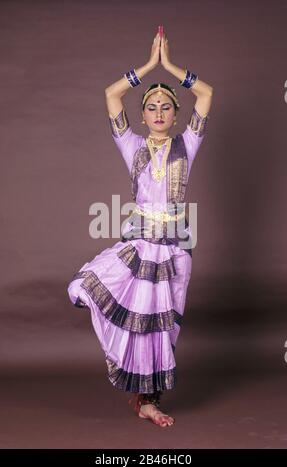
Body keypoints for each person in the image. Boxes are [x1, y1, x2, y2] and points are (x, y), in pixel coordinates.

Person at [67, 31, 213, 427]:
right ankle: (142, 397)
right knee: (115, 305)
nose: (160, 112)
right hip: (141, 245)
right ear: (144, 114)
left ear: (176, 114)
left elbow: (207, 94)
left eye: (167, 107)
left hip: (176, 250)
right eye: (152, 107)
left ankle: (148, 399)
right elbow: (111, 96)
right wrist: (147, 67)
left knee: (160, 332)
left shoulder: (187, 144)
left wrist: (171, 67)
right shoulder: (132, 145)